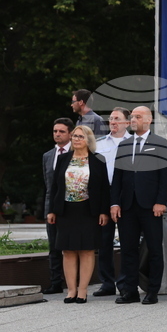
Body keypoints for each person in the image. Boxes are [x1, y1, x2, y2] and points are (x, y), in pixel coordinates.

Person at [110, 106, 167, 305]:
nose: (133, 120)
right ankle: (130, 291)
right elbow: (117, 178)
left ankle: (152, 291)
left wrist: (161, 201)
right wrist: (114, 203)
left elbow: (165, 176)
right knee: (128, 249)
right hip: (127, 205)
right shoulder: (125, 145)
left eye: (137, 116)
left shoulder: (160, 143)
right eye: (132, 117)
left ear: (148, 120)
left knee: (154, 249)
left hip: (151, 205)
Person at [46, 126, 110, 303]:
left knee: (87, 250)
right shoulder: (63, 159)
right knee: (68, 250)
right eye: (74, 136)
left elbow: (105, 188)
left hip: (88, 210)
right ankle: (71, 290)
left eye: (80, 136)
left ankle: (82, 291)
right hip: (66, 210)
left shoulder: (98, 160)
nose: (76, 139)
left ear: (88, 140)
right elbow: (55, 187)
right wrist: (52, 210)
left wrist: (104, 211)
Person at [94, 107, 130, 296]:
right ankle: (107, 282)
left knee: (127, 239)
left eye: (117, 118)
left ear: (127, 122)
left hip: (127, 193)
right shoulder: (99, 144)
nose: (113, 122)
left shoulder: (133, 143)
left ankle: (125, 282)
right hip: (105, 193)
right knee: (104, 239)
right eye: (111, 119)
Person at [41, 118, 73, 294]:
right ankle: (55, 282)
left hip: (73, 207)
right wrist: (48, 210)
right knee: (53, 246)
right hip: (53, 209)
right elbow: (48, 187)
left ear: (69, 133)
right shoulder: (47, 156)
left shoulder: (78, 153)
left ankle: (73, 282)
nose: (57, 134)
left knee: (72, 246)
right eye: (55, 131)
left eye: (61, 131)